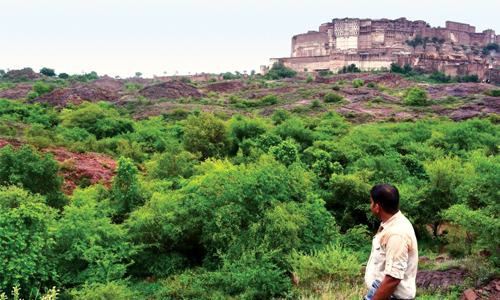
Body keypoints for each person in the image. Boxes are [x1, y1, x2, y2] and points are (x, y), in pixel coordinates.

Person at [364, 184, 418, 300]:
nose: (370, 205)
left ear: (377, 207)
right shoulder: (391, 225)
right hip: (381, 293)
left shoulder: (397, 233)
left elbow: (393, 279)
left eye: (371, 202)